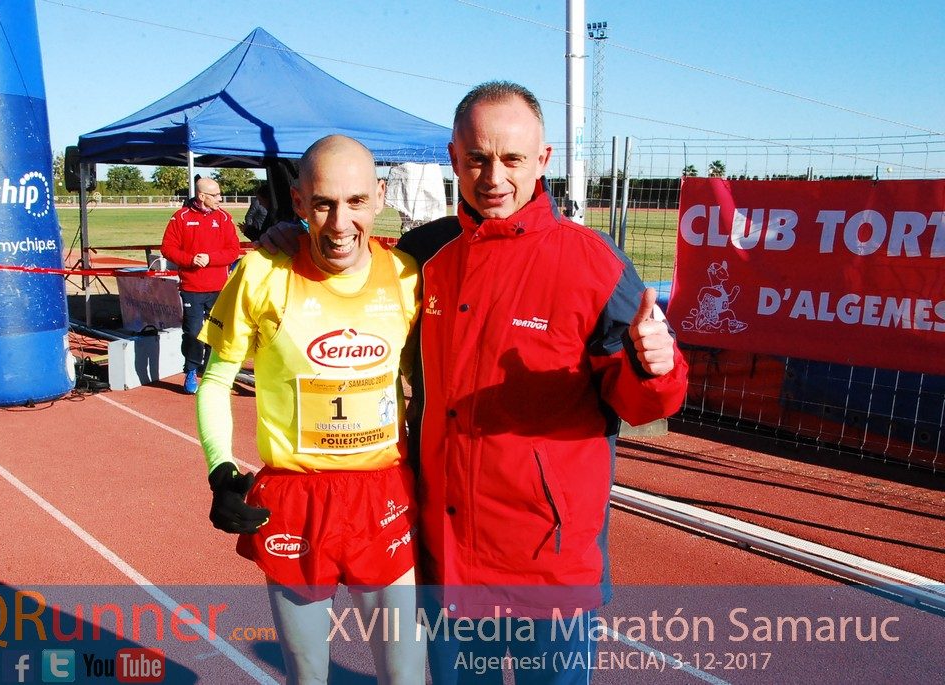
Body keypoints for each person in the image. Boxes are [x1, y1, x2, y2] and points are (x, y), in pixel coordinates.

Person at [261, 81, 688, 685]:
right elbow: (346, 268)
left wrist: (657, 366)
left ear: (542, 160)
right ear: (454, 157)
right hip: (448, 558)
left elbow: (643, 401)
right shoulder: (423, 253)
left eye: (512, 159)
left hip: (549, 561)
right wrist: (289, 242)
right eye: (477, 159)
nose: (494, 176)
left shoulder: (592, 261)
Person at [196, 135, 425, 684]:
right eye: (323, 204)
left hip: (381, 496)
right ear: (298, 202)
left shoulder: (407, 276)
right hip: (296, 499)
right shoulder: (261, 275)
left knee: (406, 671)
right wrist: (219, 468)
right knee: (307, 672)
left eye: (355, 202)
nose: (340, 222)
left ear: (380, 196)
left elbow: (422, 386)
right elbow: (217, 379)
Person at [161, 177, 241, 394]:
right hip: (192, 287)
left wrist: (211, 258)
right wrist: (190, 259)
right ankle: (191, 370)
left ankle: (211, 371)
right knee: (194, 331)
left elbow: (233, 250)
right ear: (201, 196)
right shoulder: (181, 218)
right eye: (215, 195)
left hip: (219, 287)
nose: (220, 198)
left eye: (219, 194)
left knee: (217, 331)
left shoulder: (224, 218)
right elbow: (167, 248)